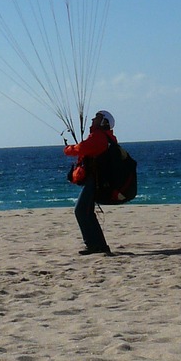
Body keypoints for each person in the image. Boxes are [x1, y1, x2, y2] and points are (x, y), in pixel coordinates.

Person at [63, 109, 117, 255]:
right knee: (86, 212)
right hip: (99, 180)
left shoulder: (99, 137)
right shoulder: (106, 137)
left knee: (80, 211)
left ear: (103, 122)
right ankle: (99, 245)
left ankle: (95, 245)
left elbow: (81, 148)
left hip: (95, 180)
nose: (92, 119)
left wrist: (68, 149)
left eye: (96, 118)